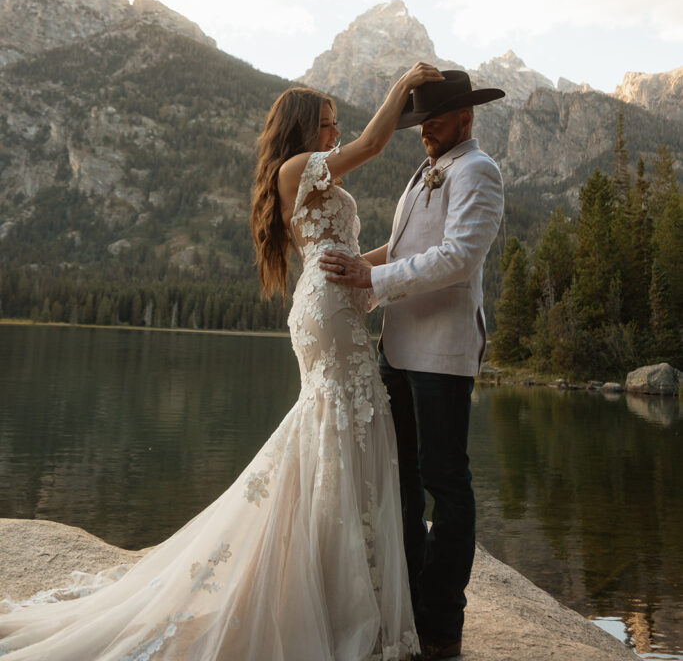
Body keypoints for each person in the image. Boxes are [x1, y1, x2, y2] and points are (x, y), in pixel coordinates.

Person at [0, 62, 443, 661]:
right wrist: (403, 85)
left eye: (335, 125)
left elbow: (343, 255)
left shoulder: (309, 176)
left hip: (337, 304)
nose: (335, 135)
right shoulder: (294, 171)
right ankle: (332, 592)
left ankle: (339, 583)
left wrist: (403, 244)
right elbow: (371, 145)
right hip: (326, 316)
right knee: (339, 424)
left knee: (336, 431)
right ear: (299, 131)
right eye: (325, 126)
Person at [321, 69, 505, 661]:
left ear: (466, 118)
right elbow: (403, 250)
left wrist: (371, 277)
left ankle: (443, 621)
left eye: (436, 116)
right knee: (399, 482)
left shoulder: (479, 171)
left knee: (446, 484)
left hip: (444, 354)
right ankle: (407, 603)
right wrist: (347, 264)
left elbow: (456, 259)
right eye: (421, 118)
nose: (425, 127)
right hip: (397, 348)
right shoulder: (425, 170)